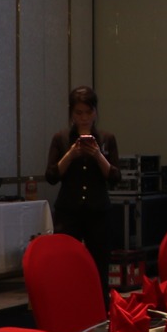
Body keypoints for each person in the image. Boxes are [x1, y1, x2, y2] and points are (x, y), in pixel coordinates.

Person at [45, 87, 119, 295]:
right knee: (65, 263)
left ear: (95, 112)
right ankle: (67, 306)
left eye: (88, 112)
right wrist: (70, 155)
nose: (84, 118)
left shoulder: (107, 138)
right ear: (71, 113)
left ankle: (101, 308)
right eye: (79, 113)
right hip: (69, 210)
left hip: (98, 211)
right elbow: (51, 176)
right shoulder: (61, 138)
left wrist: (97, 155)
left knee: (100, 266)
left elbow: (114, 178)